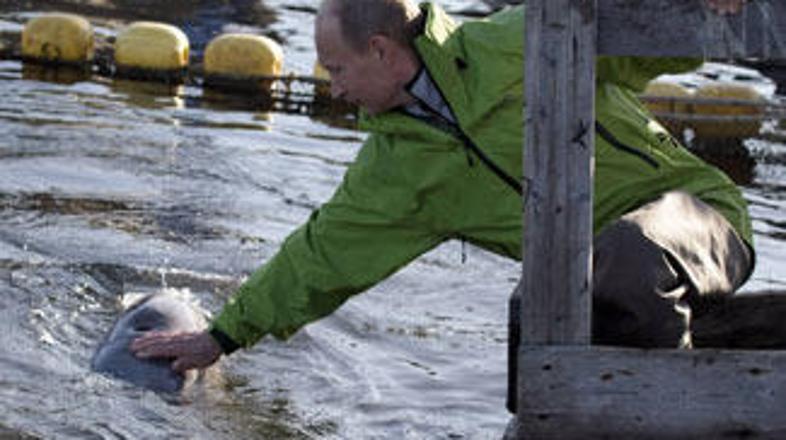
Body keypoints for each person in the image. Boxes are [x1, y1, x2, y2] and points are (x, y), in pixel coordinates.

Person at [132, 0, 754, 376]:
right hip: (592, 274)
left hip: (699, 220)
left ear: (380, 50)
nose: (335, 88)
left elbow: (644, 38)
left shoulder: (517, 40)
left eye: (338, 69)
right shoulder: (393, 171)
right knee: (534, 310)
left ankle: (675, 411)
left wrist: (700, 6)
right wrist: (221, 337)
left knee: (622, 260)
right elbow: (317, 260)